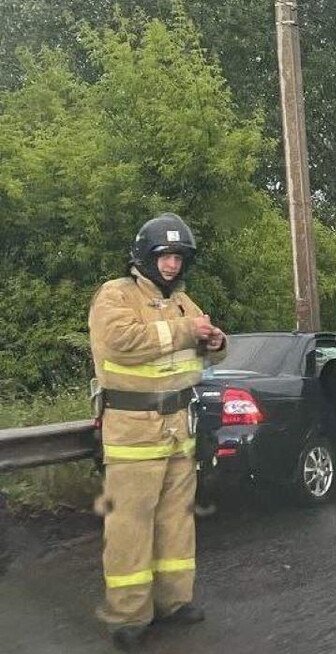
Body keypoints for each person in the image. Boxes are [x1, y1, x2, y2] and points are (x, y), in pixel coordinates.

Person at [88, 213, 226, 650]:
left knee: (176, 521)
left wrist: (216, 343)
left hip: (178, 431)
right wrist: (188, 331)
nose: (172, 264)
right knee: (130, 526)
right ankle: (129, 616)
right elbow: (121, 343)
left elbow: (205, 349)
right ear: (145, 256)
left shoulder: (183, 301)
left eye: (179, 257)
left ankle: (174, 602)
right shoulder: (116, 294)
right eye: (165, 255)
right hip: (133, 432)